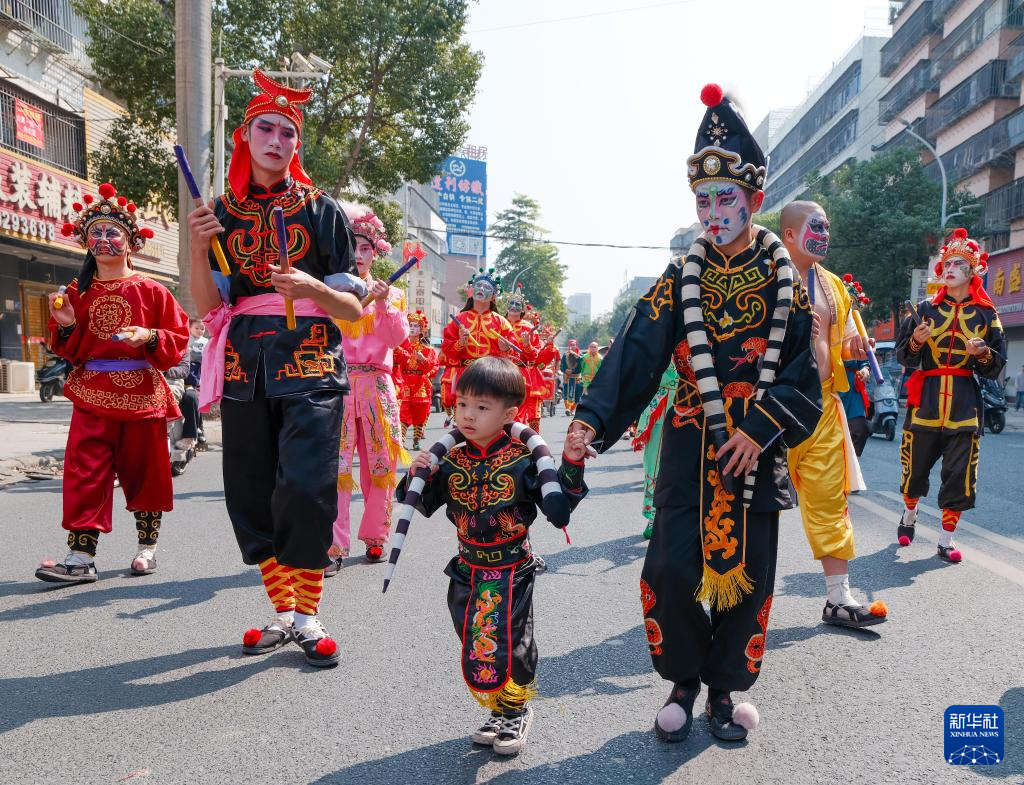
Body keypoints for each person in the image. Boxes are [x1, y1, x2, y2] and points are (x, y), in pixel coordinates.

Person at [568, 83, 821, 743]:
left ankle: (724, 689)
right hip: (690, 440)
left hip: (755, 450)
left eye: (725, 198)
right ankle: (682, 680)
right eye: (703, 200)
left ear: (754, 200)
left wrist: (759, 430)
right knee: (670, 568)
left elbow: (804, 374)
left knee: (752, 576)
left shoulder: (785, 284)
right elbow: (635, 351)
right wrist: (591, 419)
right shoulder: (678, 278)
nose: (713, 212)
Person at [187, 69, 364, 666]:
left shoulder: (322, 211)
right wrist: (197, 247)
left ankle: (309, 615)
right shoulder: (221, 213)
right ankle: (283, 612)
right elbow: (208, 305)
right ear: (244, 135)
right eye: (266, 128)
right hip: (244, 364)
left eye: (288, 133)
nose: (277, 140)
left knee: (306, 489)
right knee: (251, 492)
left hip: (311, 362)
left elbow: (353, 309)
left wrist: (314, 286)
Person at [398, 356, 589, 755]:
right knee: (474, 636)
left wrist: (571, 463)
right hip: (467, 567)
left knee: (512, 639)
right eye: (462, 404)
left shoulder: (523, 459)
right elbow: (419, 501)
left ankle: (516, 708)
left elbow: (559, 508)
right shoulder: (452, 459)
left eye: (482, 407)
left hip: (512, 569)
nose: (468, 415)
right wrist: (417, 472)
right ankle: (499, 706)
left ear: (509, 415)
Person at [36, 183, 189, 584]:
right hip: (91, 393)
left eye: (112, 232)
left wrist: (149, 336)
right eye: (96, 233)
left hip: (142, 394)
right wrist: (67, 324)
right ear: (86, 242)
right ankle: (81, 555)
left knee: (146, 472)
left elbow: (178, 339)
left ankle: (146, 547)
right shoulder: (76, 293)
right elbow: (68, 348)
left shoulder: (153, 290)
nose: (103, 240)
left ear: (131, 242)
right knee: (84, 473)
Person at [779, 201, 887, 629]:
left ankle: (838, 599)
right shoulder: (764, 276)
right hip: (769, 408)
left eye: (826, 227)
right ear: (789, 234)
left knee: (829, 499)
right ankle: (735, 600)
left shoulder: (834, 286)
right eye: (816, 227)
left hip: (821, 406)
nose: (824, 234)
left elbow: (842, 344)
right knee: (750, 502)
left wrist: (855, 349)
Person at [896, 228, 1006, 562]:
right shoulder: (923, 309)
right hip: (926, 400)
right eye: (948, 263)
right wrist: (915, 341)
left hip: (964, 403)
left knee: (959, 474)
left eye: (959, 263)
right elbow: (904, 357)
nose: (951, 268)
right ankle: (909, 513)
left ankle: (945, 540)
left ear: (973, 271)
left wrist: (982, 353)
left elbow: (996, 367)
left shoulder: (988, 315)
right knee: (915, 470)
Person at [328, 204, 409, 574]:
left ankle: (376, 535)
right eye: (353, 248)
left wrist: (381, 302)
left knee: (381, 464)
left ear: (376, 254)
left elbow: (395, 339)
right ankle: (334, 544)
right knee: (337, 468)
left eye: (366, 249)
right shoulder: (329, 291)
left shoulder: (392, 295)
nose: (359, 255)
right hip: (338, 383)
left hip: (377, 384)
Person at [440, 267, 519, 399]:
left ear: (493, 296)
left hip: (491, 376)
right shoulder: (459, 319)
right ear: (472, 291)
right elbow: (447, 350)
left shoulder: (501, 322)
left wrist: (505, 349)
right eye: (478, 285)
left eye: (486, 287)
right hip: (465, 374)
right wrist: (460, 343)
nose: (481, 289)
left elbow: (516, 355)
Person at [632, 364, 680, 540]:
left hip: (691, 411)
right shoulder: (662, 349)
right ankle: (653, 516)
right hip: (661, 410)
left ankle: (679, 519)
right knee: (654, 465)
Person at [394, 309, 439, 450]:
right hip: (404, 380)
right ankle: (401, 440)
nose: (412, 328)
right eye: (410, 325)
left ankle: (416, 440)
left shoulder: (428, 349)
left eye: (415, 326)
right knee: (403, 410)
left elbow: (434, 366)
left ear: (421, 329)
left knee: (420, 411)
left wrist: (424, 360)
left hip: (420, 382)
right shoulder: (399, 346)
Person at [505, 287, 545, 431]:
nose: (513, 306)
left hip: (522, 373)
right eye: (511, 303)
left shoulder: (528, 328)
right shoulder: (500, 324)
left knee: (520, 410)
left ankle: (523, 439)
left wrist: (527, 345)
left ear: (522, 309)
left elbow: (535, 355)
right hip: (500, 372)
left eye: (517, 304)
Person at [840, 360, 871, 456]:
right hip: (830, 386)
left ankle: (851, 461)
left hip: (852, 388)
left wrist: (865, 368)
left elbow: (864, 360)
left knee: (860, 429)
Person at [560, 339, 582, 416]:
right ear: (568, 346)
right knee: (566, 393)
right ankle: (567, 408)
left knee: (577, 393)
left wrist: (575, 354)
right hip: (567, 377)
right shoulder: (565, 355)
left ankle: (573, 409)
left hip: (577, 377)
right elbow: (562, 366)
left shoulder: (580, 354)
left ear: (576, 345)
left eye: (573, 345)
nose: (572, 346)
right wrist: (565, 370)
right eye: (571, 345)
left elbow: (581, 361)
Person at [186, 318, 207, 387]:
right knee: (191, 373)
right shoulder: (188, 338)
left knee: (201, 374)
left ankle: (198, 384)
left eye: (202, 329)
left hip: (201, 362)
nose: (199, 330)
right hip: (191, 361)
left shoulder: (205, 341)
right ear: (189, 328)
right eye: (196, 328)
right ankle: (190, 384)